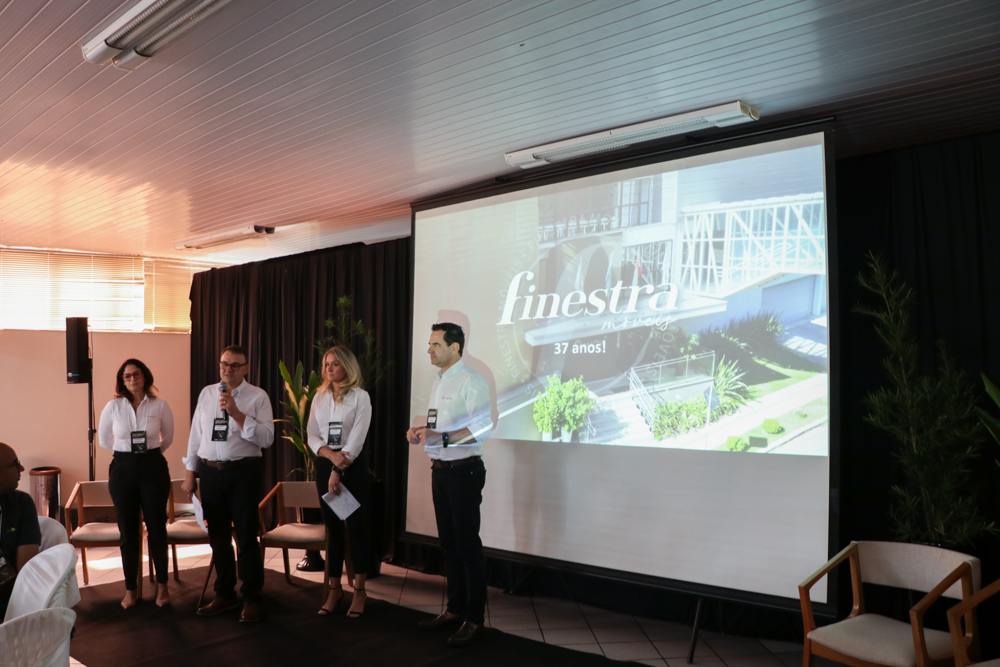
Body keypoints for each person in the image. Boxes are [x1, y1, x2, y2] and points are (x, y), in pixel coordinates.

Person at [407, 322, 493, 647]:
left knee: (467, 546)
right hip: (441, 471)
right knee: (449, 545)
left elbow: (482, 428)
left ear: (455, 347)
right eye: (429, 344)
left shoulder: (472, 380)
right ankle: (455, 609)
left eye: (436, 345)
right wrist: (421, 431)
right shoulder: (439, 381)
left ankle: (475, 619)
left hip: (464, 473)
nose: (429, 350)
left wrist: (441, 437)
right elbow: (437, 424)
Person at [183, 344, 274, 623]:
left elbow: (267, 438)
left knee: (246, 537)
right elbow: (196, 434)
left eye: (235, 365)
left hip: (242, 472)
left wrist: (236, 413)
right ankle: (224, 594)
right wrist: (190, 472)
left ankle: (252, 598)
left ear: (246, 368)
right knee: (218, 538)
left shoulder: (258, 396)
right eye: (224, 363)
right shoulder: (207, 393)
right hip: (210, 473)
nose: (228, 369)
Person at [98, 359, 175, 609]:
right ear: (122, 380)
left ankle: (162, 587)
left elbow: (167, 438)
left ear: (145, 376)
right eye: (127, 376)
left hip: (153, 467)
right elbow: (104, 440)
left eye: (136, 374)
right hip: (123, 469)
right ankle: (130, 589)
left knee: (157, 528)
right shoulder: (113, 407)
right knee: (128, 532)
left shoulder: (160, 405)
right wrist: (126, 451)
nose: (132, 379)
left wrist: (147, 455)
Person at [307, 345, 372, 618]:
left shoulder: (361, 397)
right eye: (327, 364)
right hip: (325, 465)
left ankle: (359, 591)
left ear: (347, 366)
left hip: (352, 468)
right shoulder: (320, 396)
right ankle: (334, 590)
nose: (329, 368)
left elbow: (357, 439)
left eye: (335, 364)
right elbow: (312, 434)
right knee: (333, 530)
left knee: (356, 529)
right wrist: (330, 457)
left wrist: (339, 465)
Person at [0, 442, 41, 619]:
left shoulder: (21, 503)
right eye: (16, 464)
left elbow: (26, 569)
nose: (22, 469)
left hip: (9, 599)